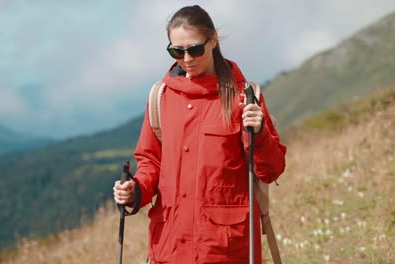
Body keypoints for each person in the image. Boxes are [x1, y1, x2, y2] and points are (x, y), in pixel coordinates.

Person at [113, 5, 286, 264]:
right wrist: (135, 191)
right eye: (176, 51)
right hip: (169, 247)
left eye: (195, 49)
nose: (186, 59)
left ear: (213, 40)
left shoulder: (244, 97)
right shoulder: (160, 97)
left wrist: (259, 133)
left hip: (225, 251)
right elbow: (151, 163)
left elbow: (271, 170)